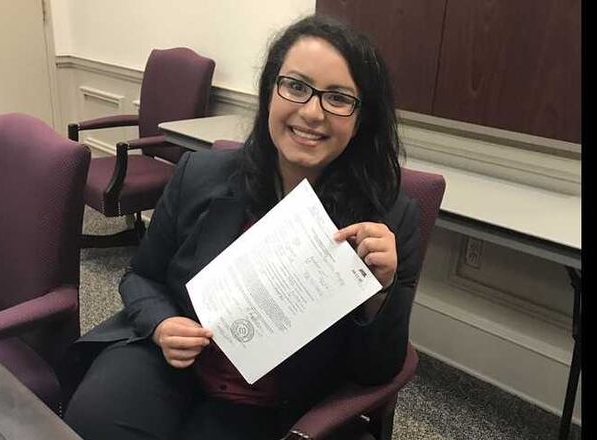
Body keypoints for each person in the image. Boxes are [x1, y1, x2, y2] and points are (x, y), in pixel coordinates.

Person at [61, 14, 421, 440]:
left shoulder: (386, 218)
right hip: (173, 360)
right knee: (93, 422)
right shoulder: (200, 173)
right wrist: (161, 323)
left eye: (338, 98)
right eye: (296, 86)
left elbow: (375, 372)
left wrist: (379, 293)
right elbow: (141, 275)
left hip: (271, 399)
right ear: (270, 92)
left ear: (361, 117)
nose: (312, 113)